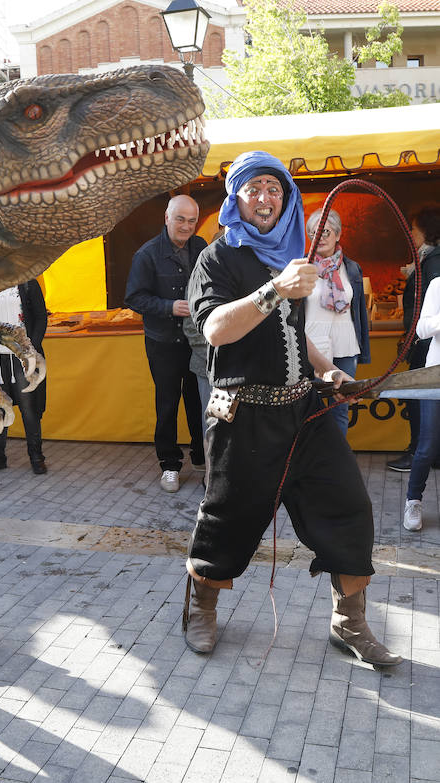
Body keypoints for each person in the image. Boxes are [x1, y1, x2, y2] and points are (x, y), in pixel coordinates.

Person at [183, 151, 401, 667]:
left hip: (304, 413)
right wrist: (274, 289)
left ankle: (349, 622)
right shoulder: (216, 258)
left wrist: (329, 373)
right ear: (236, 198)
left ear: (286, 199)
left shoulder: (290, 255)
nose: (264, 198)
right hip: (242, 417)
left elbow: (296, 337)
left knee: (350, 507)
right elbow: (215, 329)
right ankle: (200, 608)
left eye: (274, 189)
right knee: (227, 522)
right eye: (253, 188)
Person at [125, 194, 207, 492]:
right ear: (167, 218)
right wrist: (170, 307)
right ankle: (170, 465)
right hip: (163, 343)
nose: (186, 226)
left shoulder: (201, 247)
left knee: (200, 400)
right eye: (180, 219)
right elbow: (134, 298)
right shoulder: (146, 254)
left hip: (197, 342)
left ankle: (201, 456)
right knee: (168, 404)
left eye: (192, 220)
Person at [303, 208, 371, 436]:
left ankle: (337, 467)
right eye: (313, 233)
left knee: (339, 409)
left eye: (325, 231)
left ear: (338, 234)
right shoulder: (301, 268)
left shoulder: (352, 268)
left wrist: (363, 346)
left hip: (345, 344)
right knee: (310, 409)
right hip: (312, 346)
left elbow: (359, 311)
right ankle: (312, 463)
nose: (319, 237)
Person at [0, 281, 48, 475]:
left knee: (28, 408)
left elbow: (41, 317)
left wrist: (31, 347)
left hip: (21, 357)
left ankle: (36, 456)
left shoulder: (28, 283)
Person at [387, 204, 440, 472]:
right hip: (424, 341)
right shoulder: (427, 259)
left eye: (413, 229)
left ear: (425, 232)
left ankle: (418, 452)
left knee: (420, 398)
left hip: (427, 344)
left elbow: (429, 306)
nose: (410, 233)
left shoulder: (433, 262)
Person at [403, 206, 440, 532]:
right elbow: (423, 328)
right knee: (427, 445)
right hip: (434, 375)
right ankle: (413, 502)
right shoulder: (437, 284)